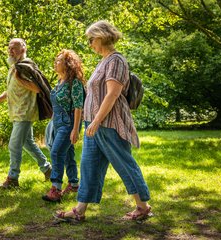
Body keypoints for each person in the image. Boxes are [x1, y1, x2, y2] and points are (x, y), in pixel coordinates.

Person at [55, 20, 151, 221]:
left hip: (108, 124)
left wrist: (97, 121)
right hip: (93, 125)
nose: (90, 44)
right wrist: (91, 123)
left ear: (101, 36)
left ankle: (142, 206)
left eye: (91, 39)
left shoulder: (116, 60)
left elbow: (112, 94)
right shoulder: (103, 61)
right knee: (89, 167)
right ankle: (79, 211)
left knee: (124, 164)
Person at [0, 38, 52, 189]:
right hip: (17, 112)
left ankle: (13, 179)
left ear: (23, 49)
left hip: (25, 112)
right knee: (28, 143)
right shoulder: (14, 67)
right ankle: (48, 169)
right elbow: (11, 90)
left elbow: (37, 88)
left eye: (14, 48)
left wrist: (20, 80)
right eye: (9, 48)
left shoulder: (25, 67)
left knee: (14, 145)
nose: (10, 50)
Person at [42, 49, 85, 202]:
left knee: (56, 152)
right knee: (67, 154)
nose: (55, 63)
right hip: (58, 123)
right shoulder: (60, 82)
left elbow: (78, 107)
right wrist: (51, 125)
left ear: (67, 64)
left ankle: (56, 188)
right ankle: (74, 184)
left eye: (59, 60)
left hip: (69, 123)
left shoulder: (75, 83)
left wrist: (75, 129)